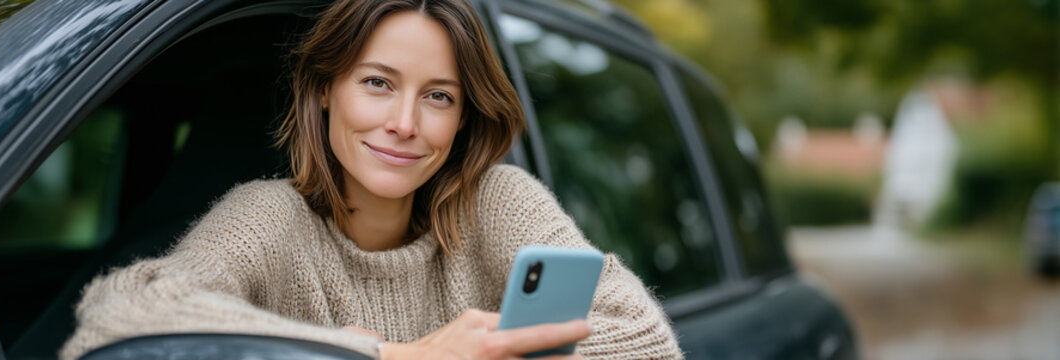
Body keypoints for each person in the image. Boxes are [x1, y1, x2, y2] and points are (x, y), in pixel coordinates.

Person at [61, 0, 683, 359]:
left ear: (464, 117)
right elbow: (122, 317)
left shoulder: (497, 201)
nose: (404, 124)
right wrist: (394, 356)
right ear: (325, 89)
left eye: (439, 96)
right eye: (378, 83)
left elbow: (650, 342)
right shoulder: (268, 219)